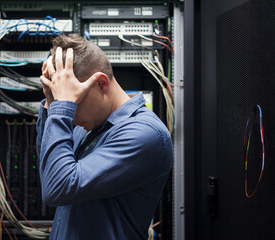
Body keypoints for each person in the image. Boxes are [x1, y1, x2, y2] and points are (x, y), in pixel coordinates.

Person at [36, 34, 173, 240]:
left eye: (74, 102)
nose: (70, 118)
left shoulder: (145, 134)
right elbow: (50, 169)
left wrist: (62, 106)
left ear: (101, 84)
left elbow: (58, 187)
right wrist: (51, 103)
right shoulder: (91, 123)